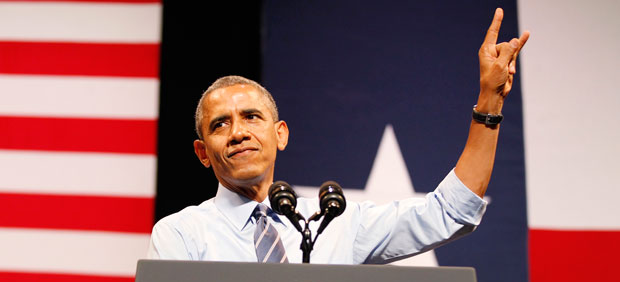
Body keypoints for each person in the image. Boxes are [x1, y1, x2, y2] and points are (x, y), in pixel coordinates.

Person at [148, 8, 529, 264]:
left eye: (251, 117)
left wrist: (489, 102)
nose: (238, 133)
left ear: (280, 134)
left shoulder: (335, 221)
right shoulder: (181, 234)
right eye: (220, 125)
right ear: (202, 151)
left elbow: (450, 213)